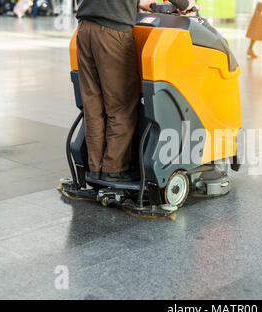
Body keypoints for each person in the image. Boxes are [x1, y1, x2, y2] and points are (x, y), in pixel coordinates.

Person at [76, 0, 197, 182]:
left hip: (84, 29)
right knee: (121, 105)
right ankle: (114, 169)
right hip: (112, 32)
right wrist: (185, 4)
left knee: (93, 105)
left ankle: (95, 168)